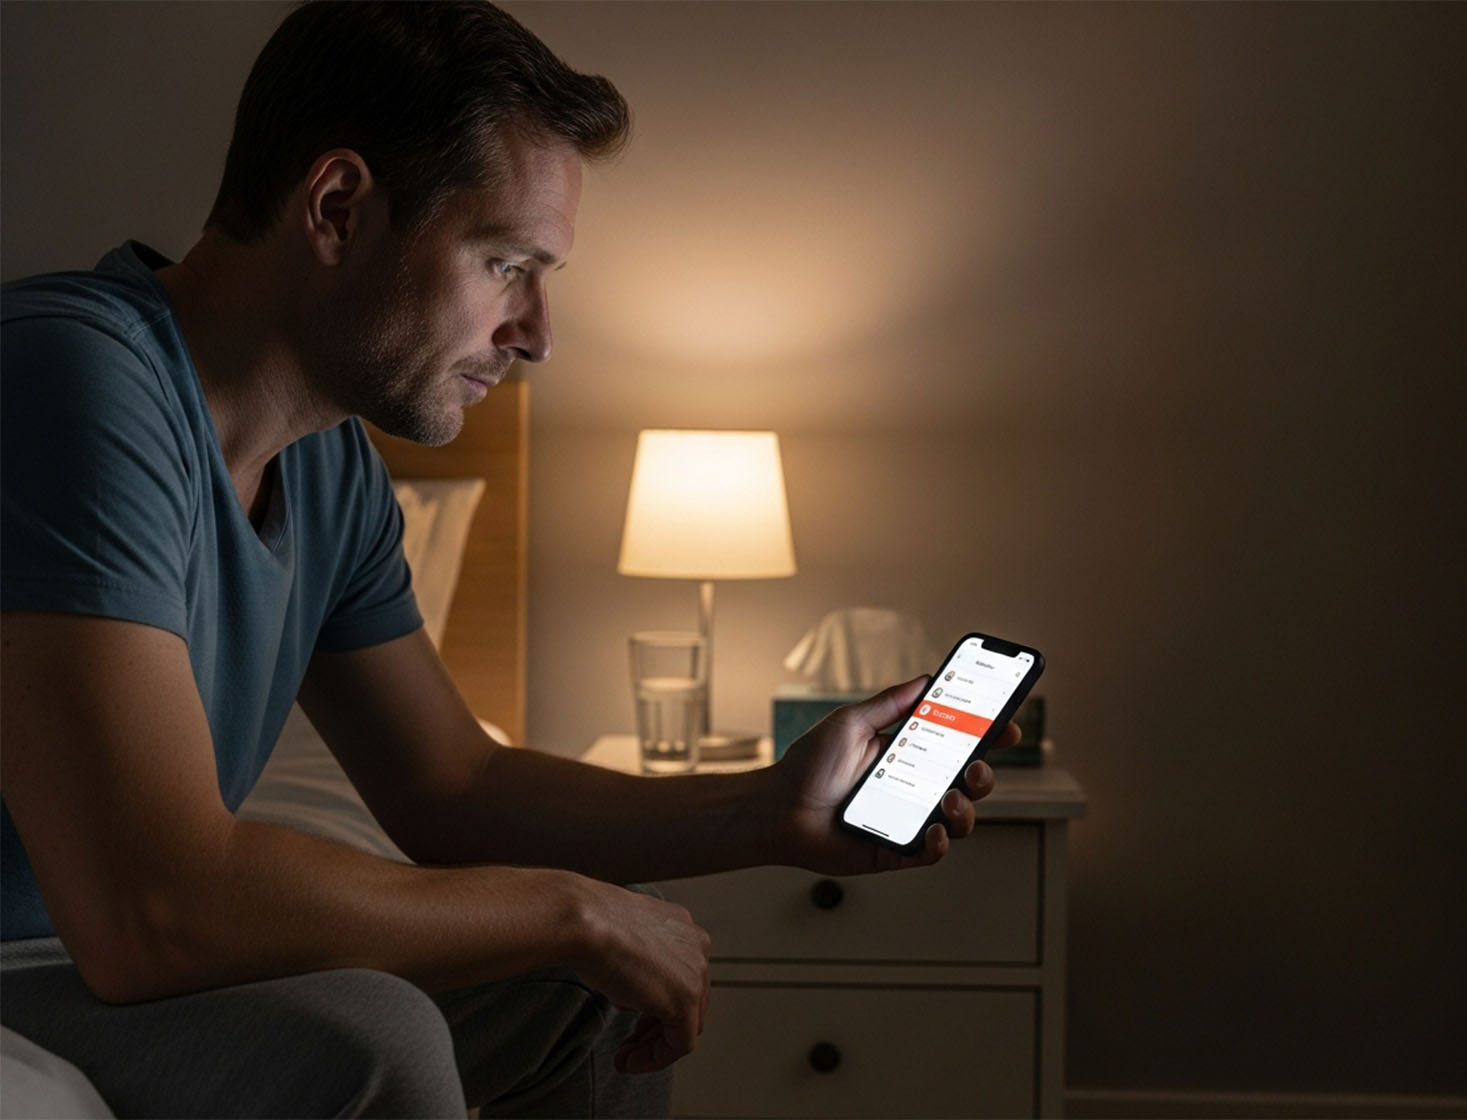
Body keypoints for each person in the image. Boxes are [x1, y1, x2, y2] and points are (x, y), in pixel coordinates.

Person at [0, 2, 1018, 1116]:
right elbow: (160, 904)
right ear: (337, 208)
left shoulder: (329, 461)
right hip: (38, 955)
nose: (536, 333)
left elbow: (452, 783)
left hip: (95, 958)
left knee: (580, 992)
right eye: (505, 263)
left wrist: (770, 809)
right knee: (391, 1029)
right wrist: (568, 908)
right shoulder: (73, 378)